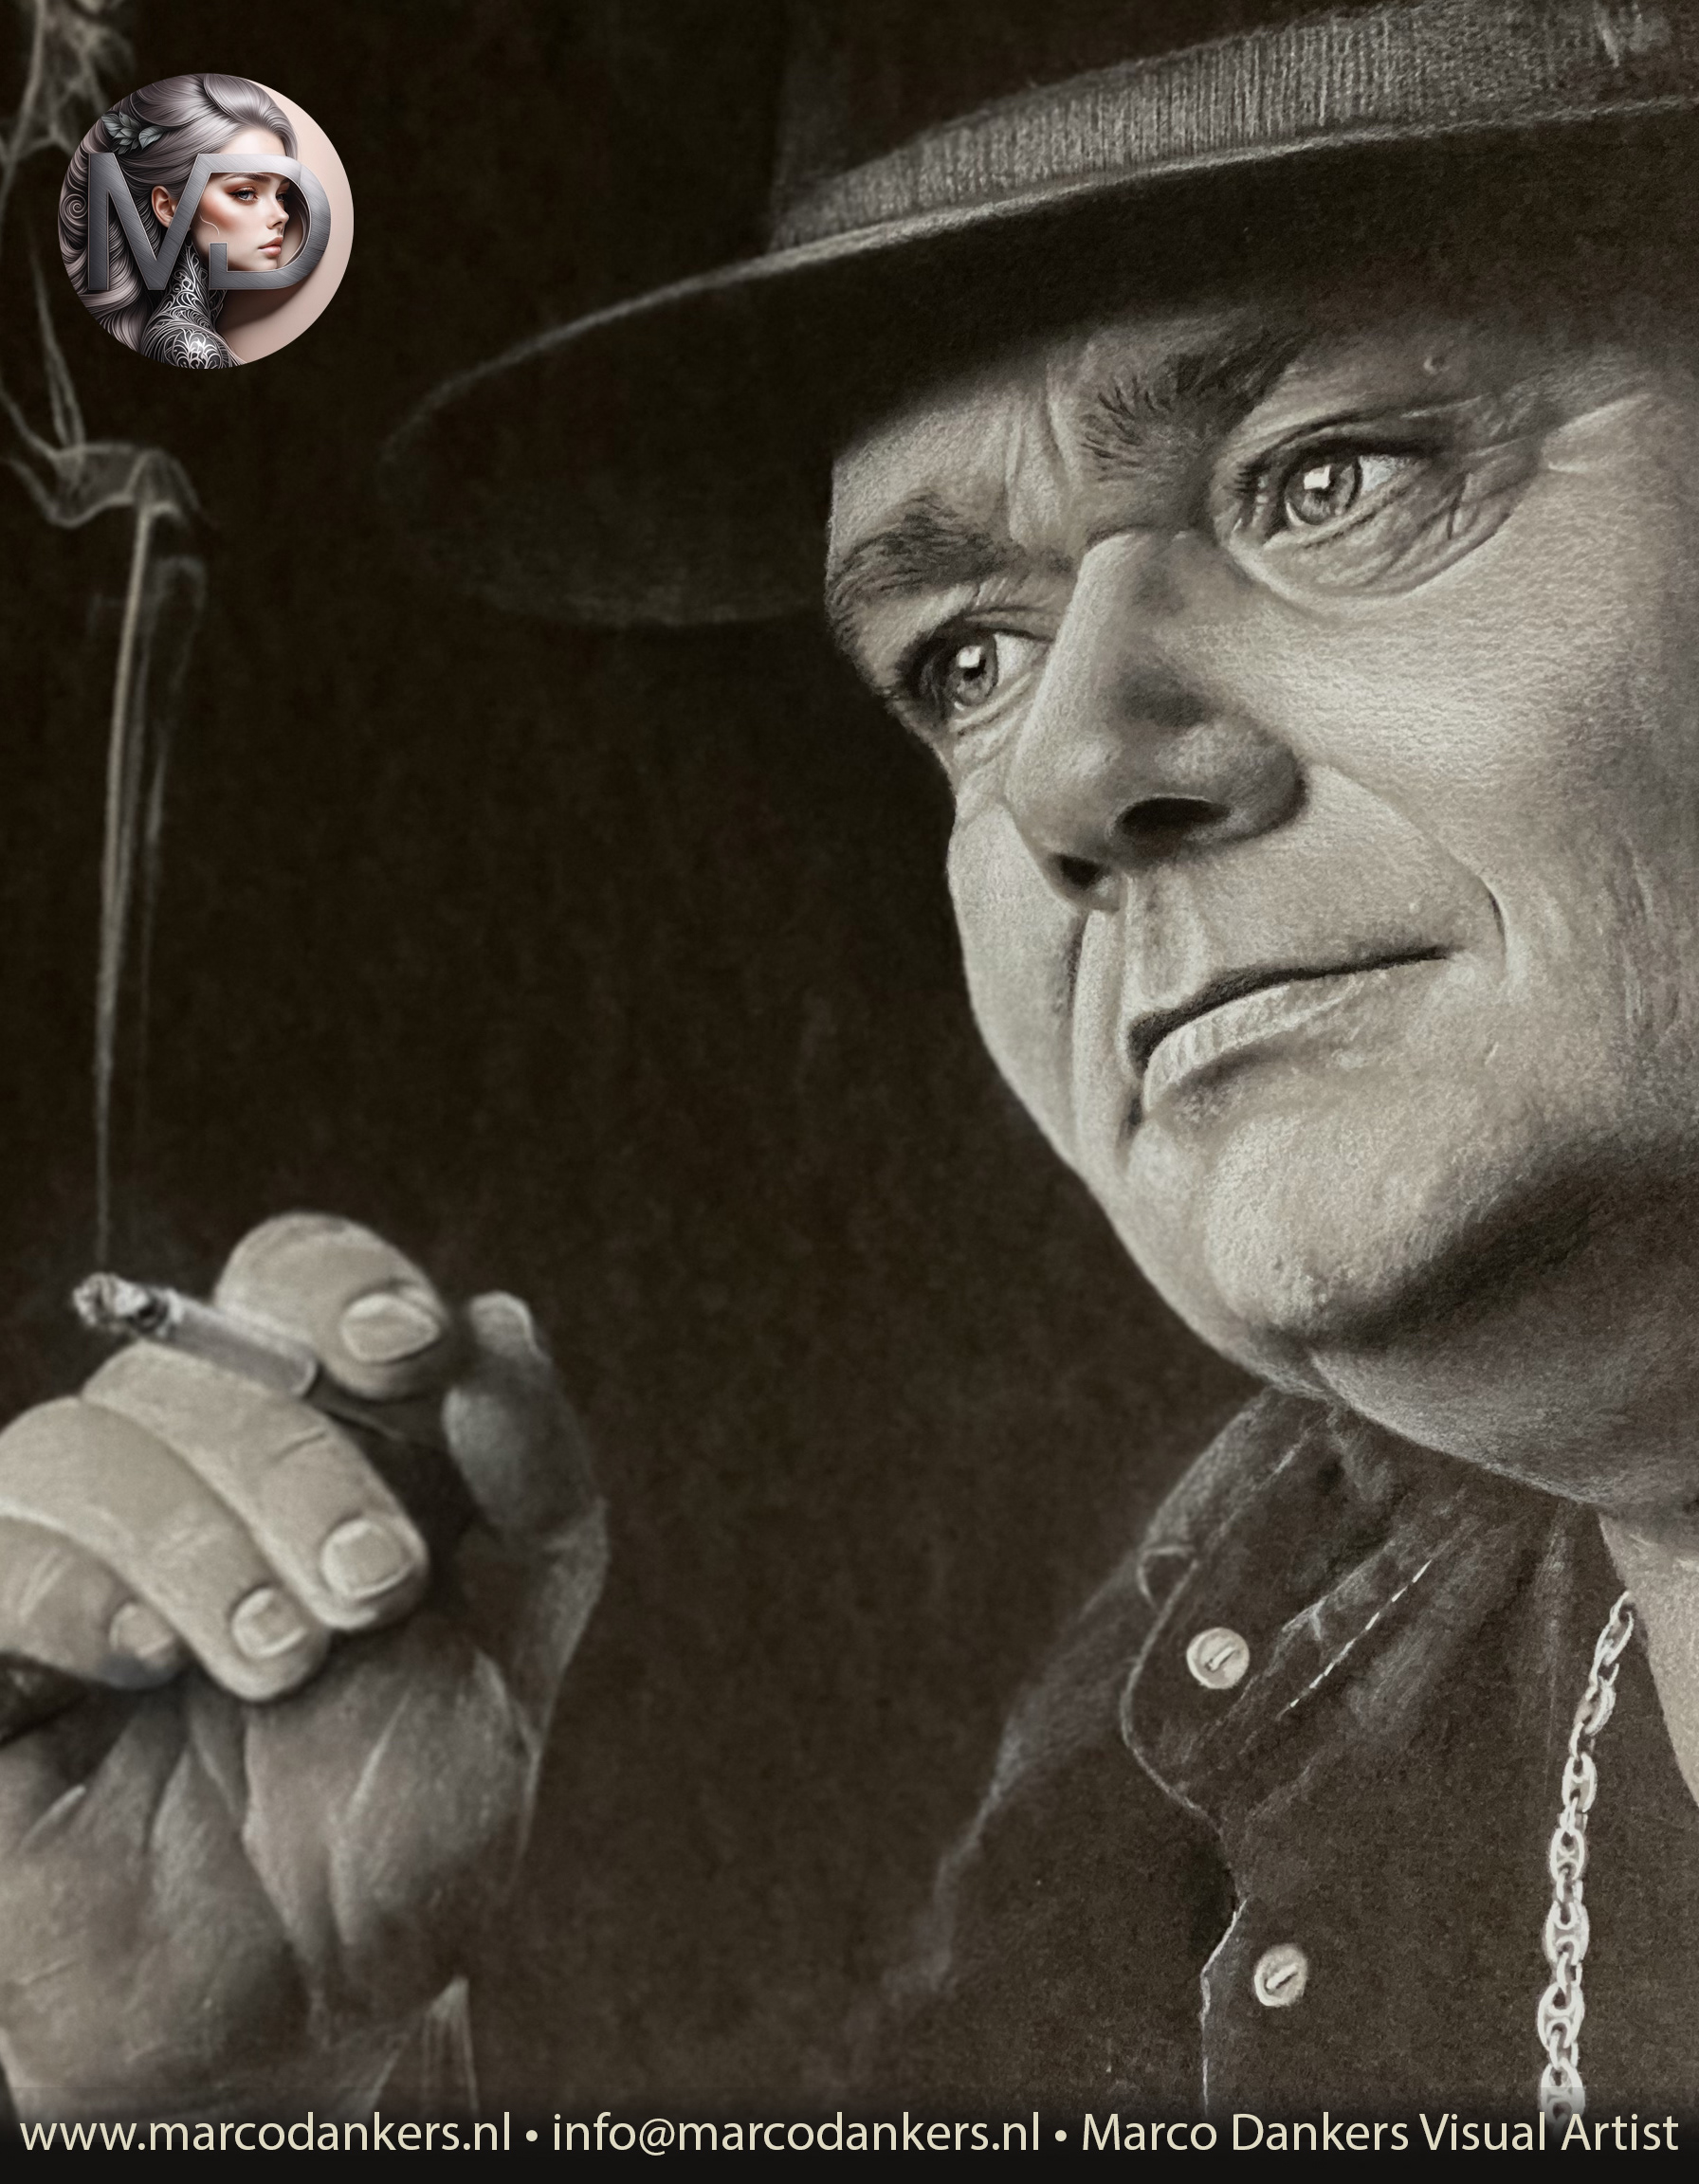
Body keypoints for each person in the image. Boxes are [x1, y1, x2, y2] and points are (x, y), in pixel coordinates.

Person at [8, 0, 1699, 2129]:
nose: (1067, 773)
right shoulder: (1245, 1660)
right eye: (962, 658)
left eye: (1328, 478)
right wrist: (251, 2096)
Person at [58, 76, 301, 370]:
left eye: (282, 195)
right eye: (245, 192)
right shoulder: (192, 348)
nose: (281, 215)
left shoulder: (190, 333)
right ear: (169, 208)